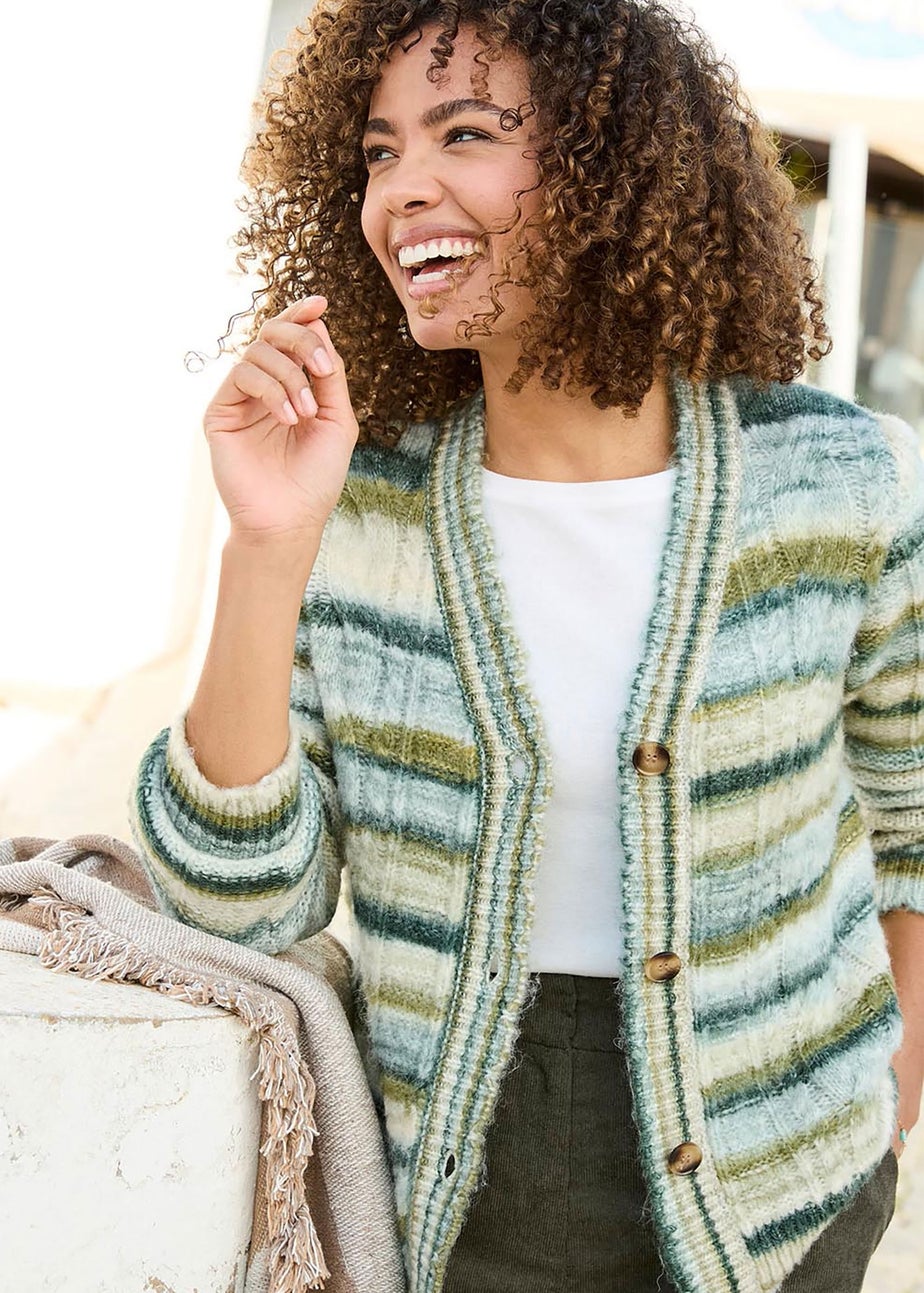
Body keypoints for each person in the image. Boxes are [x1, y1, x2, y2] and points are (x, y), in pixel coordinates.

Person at [130, 2, 924, 1290]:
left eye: (469, 133)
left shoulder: (842, 483)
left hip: (791, 1180)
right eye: (380, 151)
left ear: (620, 160)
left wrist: (888, 1093)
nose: (406, 189)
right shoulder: (357, 508)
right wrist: (268, 548)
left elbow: (917, 823)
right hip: (460, 1192)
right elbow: (241, 909)